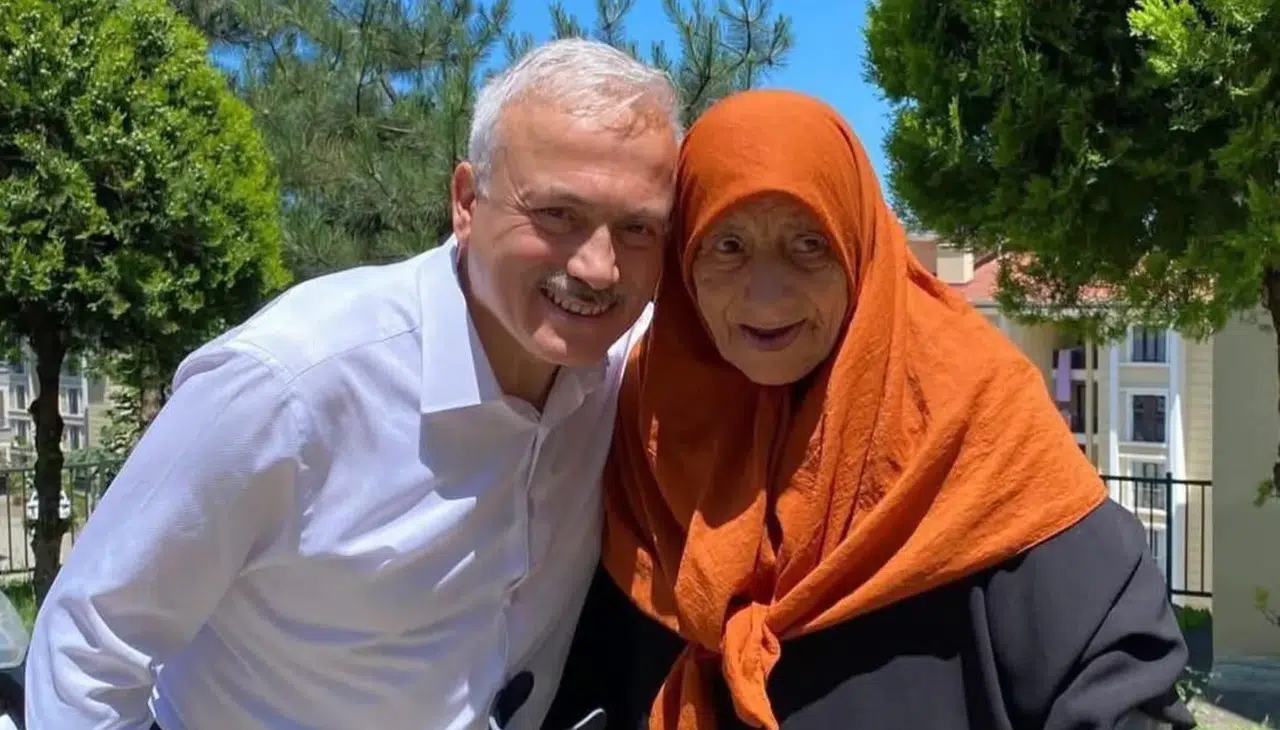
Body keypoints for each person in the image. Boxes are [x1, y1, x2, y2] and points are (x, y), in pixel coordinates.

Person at [26, 38, 680, 730]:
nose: (599, 267)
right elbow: (89, 646)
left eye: (638, 228)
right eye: (557, 215)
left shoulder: (627, 367)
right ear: (466, 201)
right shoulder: (290, 384)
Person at [541, 90, 1195, 730]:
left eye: (808, 244)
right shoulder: (646, 425)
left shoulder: (974, 416)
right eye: (728, 246)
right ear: (684, 259)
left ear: (858, 246)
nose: (766, 295)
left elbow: (1117, 678)